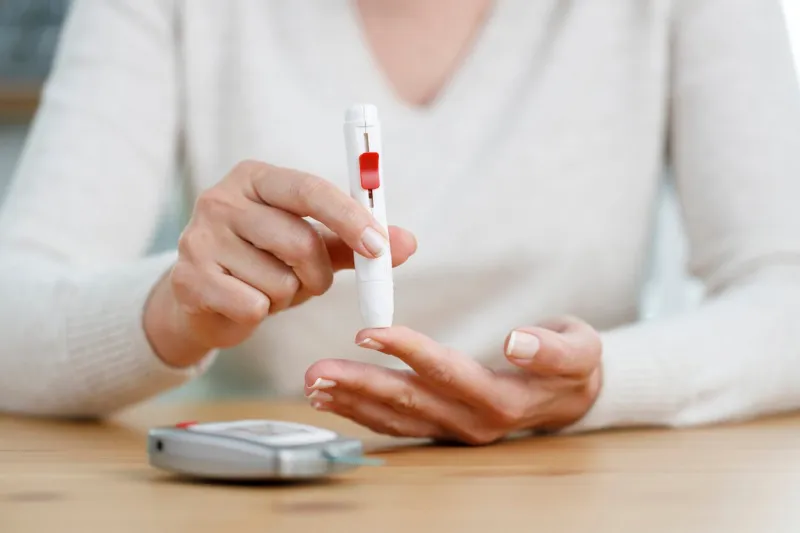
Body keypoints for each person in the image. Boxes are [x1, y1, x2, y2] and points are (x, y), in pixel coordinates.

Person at [1, 0, 799, 444]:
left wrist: (601, 382)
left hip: (587, 490)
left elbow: (787, 291)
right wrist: (177, 309)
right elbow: (14, 307)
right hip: (284, 494)